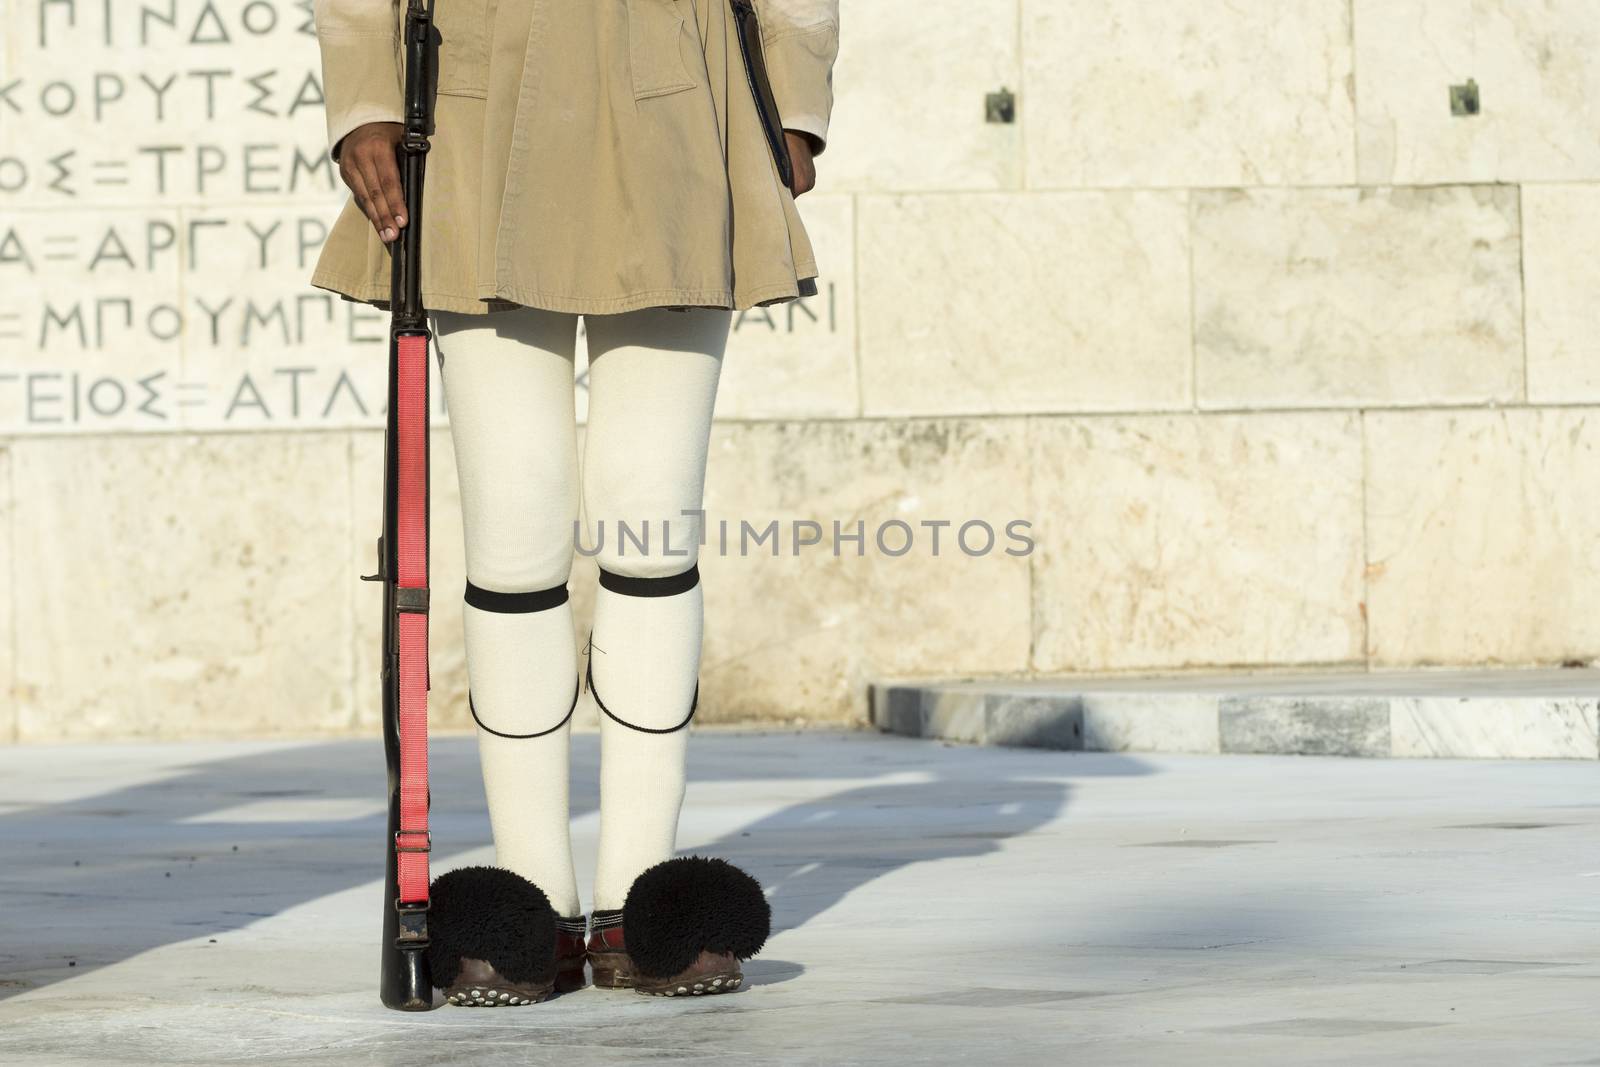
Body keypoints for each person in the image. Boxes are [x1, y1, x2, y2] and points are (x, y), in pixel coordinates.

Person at [308, 0, 839, 1003]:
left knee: (651, 527)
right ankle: (532, 912)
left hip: (680, 86)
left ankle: (642, 906)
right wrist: (364, 99)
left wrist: (794, 92)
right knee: (514, 538)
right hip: (471, 98)